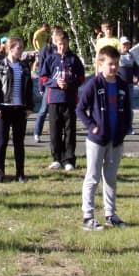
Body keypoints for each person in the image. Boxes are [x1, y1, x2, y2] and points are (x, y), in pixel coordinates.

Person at [76, 45, 132, 230]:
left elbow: (127, 110)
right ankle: (88, 216)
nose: (114, 68)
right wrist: (92, 127)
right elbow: (80, 109)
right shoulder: (94, 84)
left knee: (110, 178)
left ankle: (110, 214)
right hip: (97, 140)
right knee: (93, 177)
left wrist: (125, 129)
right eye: (110, 64)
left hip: (116, 140)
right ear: (100, 65)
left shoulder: (122, 84)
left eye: (116, 64)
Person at [38, 28, 86, 171]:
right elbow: (43, 77)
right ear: (55, 44)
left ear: (68, 43)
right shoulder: (50, 58)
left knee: (70, 130)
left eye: (64, 44)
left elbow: (82, 77)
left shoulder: (74, 59)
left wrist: (70, 84)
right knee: (55, 130)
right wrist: (55, 83)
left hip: (70, 98)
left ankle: (69, 159)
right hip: (54, 98)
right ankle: (56, 158)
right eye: (59, 44)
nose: (62, 47)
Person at [0, 36, 32, 183]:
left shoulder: (24, 66)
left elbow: (29, 88)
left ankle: (20, 173)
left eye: (22, 48)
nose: (21, 51)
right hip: (3, 109)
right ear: (10, 48)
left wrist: (29, 107)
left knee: (19, 142)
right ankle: (0, 172)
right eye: (18, 48)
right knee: (2, 141)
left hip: (20, 109)